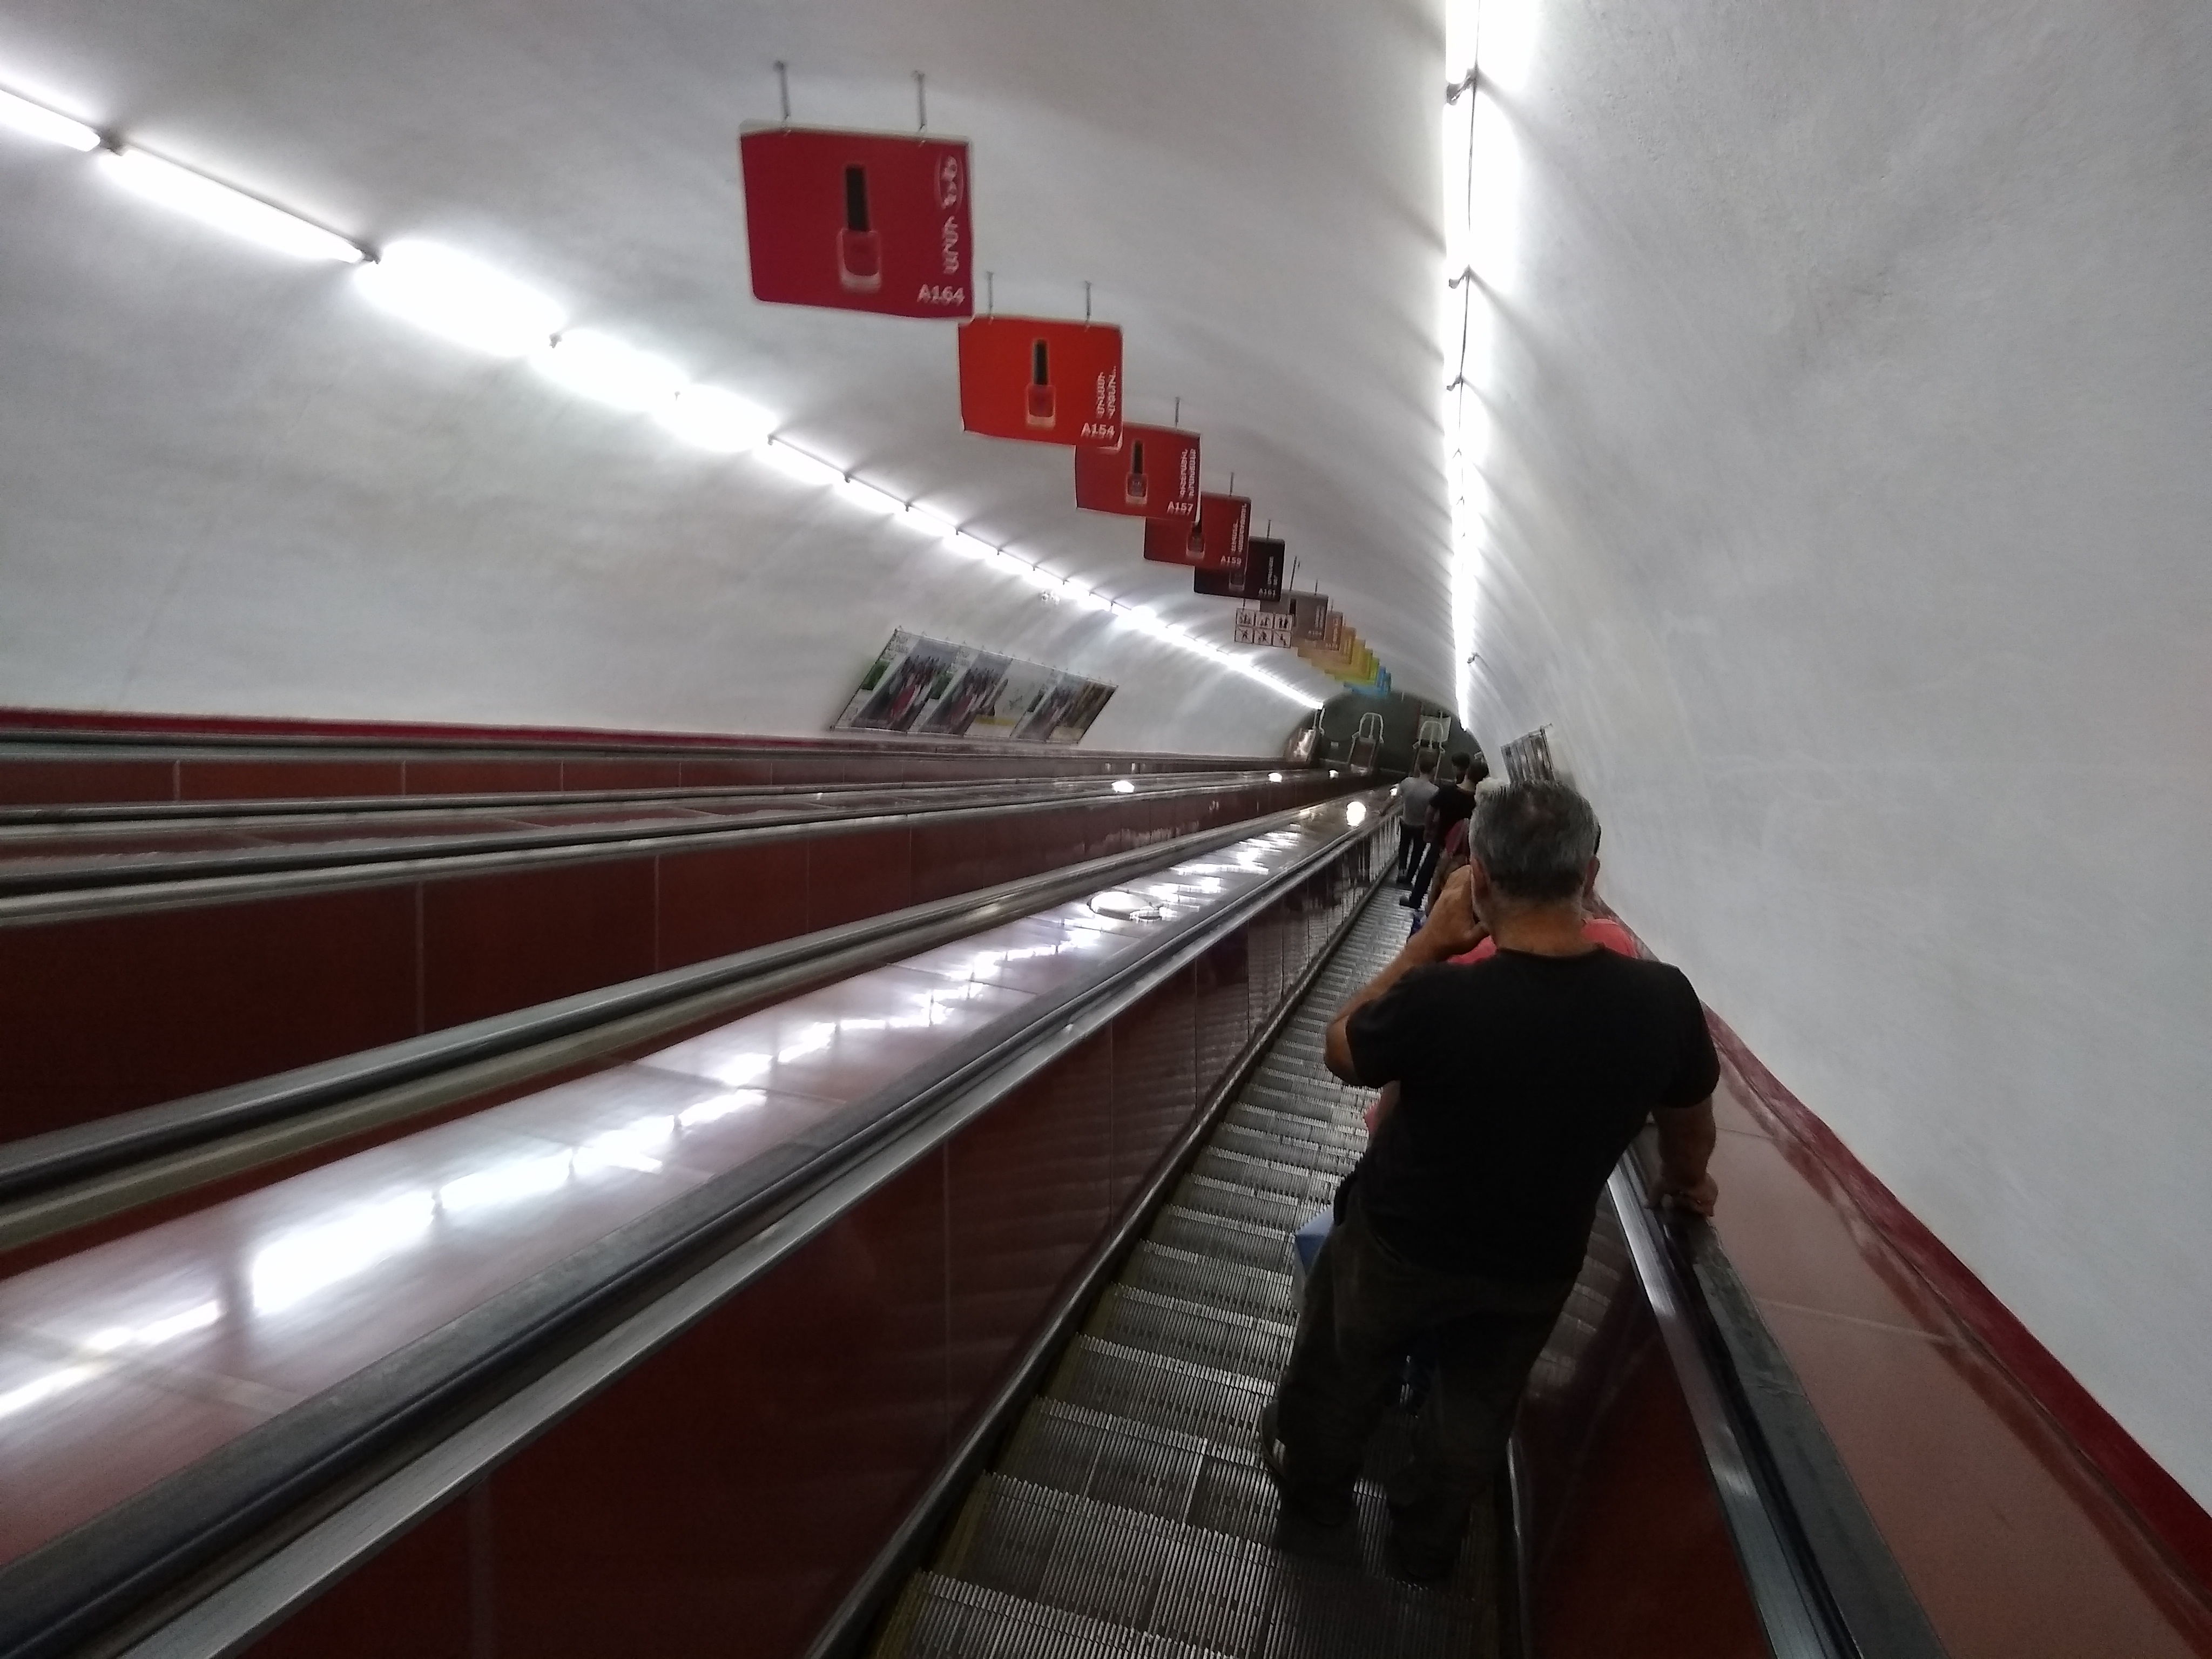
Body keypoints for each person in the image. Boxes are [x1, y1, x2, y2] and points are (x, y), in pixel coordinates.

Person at [1262, 780, 1720, 1584]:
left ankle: (1318, 1505)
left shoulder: (1443, 997)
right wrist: (1689, 1184)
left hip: (1399, 1241)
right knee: (1477, 1404)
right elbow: (1689, 1124)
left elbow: (1341, 1048)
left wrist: (1424, 945)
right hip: (1534, 1260)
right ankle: (1425, 1545)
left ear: (1478, 877)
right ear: (1590, 874)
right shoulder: (1664, 1001)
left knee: (1343, 1372)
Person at [1400, 753, 1481, 907]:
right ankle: (1440, 906)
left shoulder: (1448, 791)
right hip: (1463, 848)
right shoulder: (1478, 799)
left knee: (1427, 871)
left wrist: (1428, 830)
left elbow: (1431, 810)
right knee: (1452, 877)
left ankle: (1415, 900)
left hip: (1441, 840)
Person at [1392, 758, 1439, 886]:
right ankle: (1410, 878)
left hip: (1406, 822)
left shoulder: (1407, 782)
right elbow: (1435, 813)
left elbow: (1395, 798)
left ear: (1419, 768)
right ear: (1434, 771)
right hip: (1422, 826)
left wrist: (1382, 811)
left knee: (1404, 847)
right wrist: (1433, 829)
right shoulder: (1434, 791)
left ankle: (1402, 870)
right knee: (1418, 852)